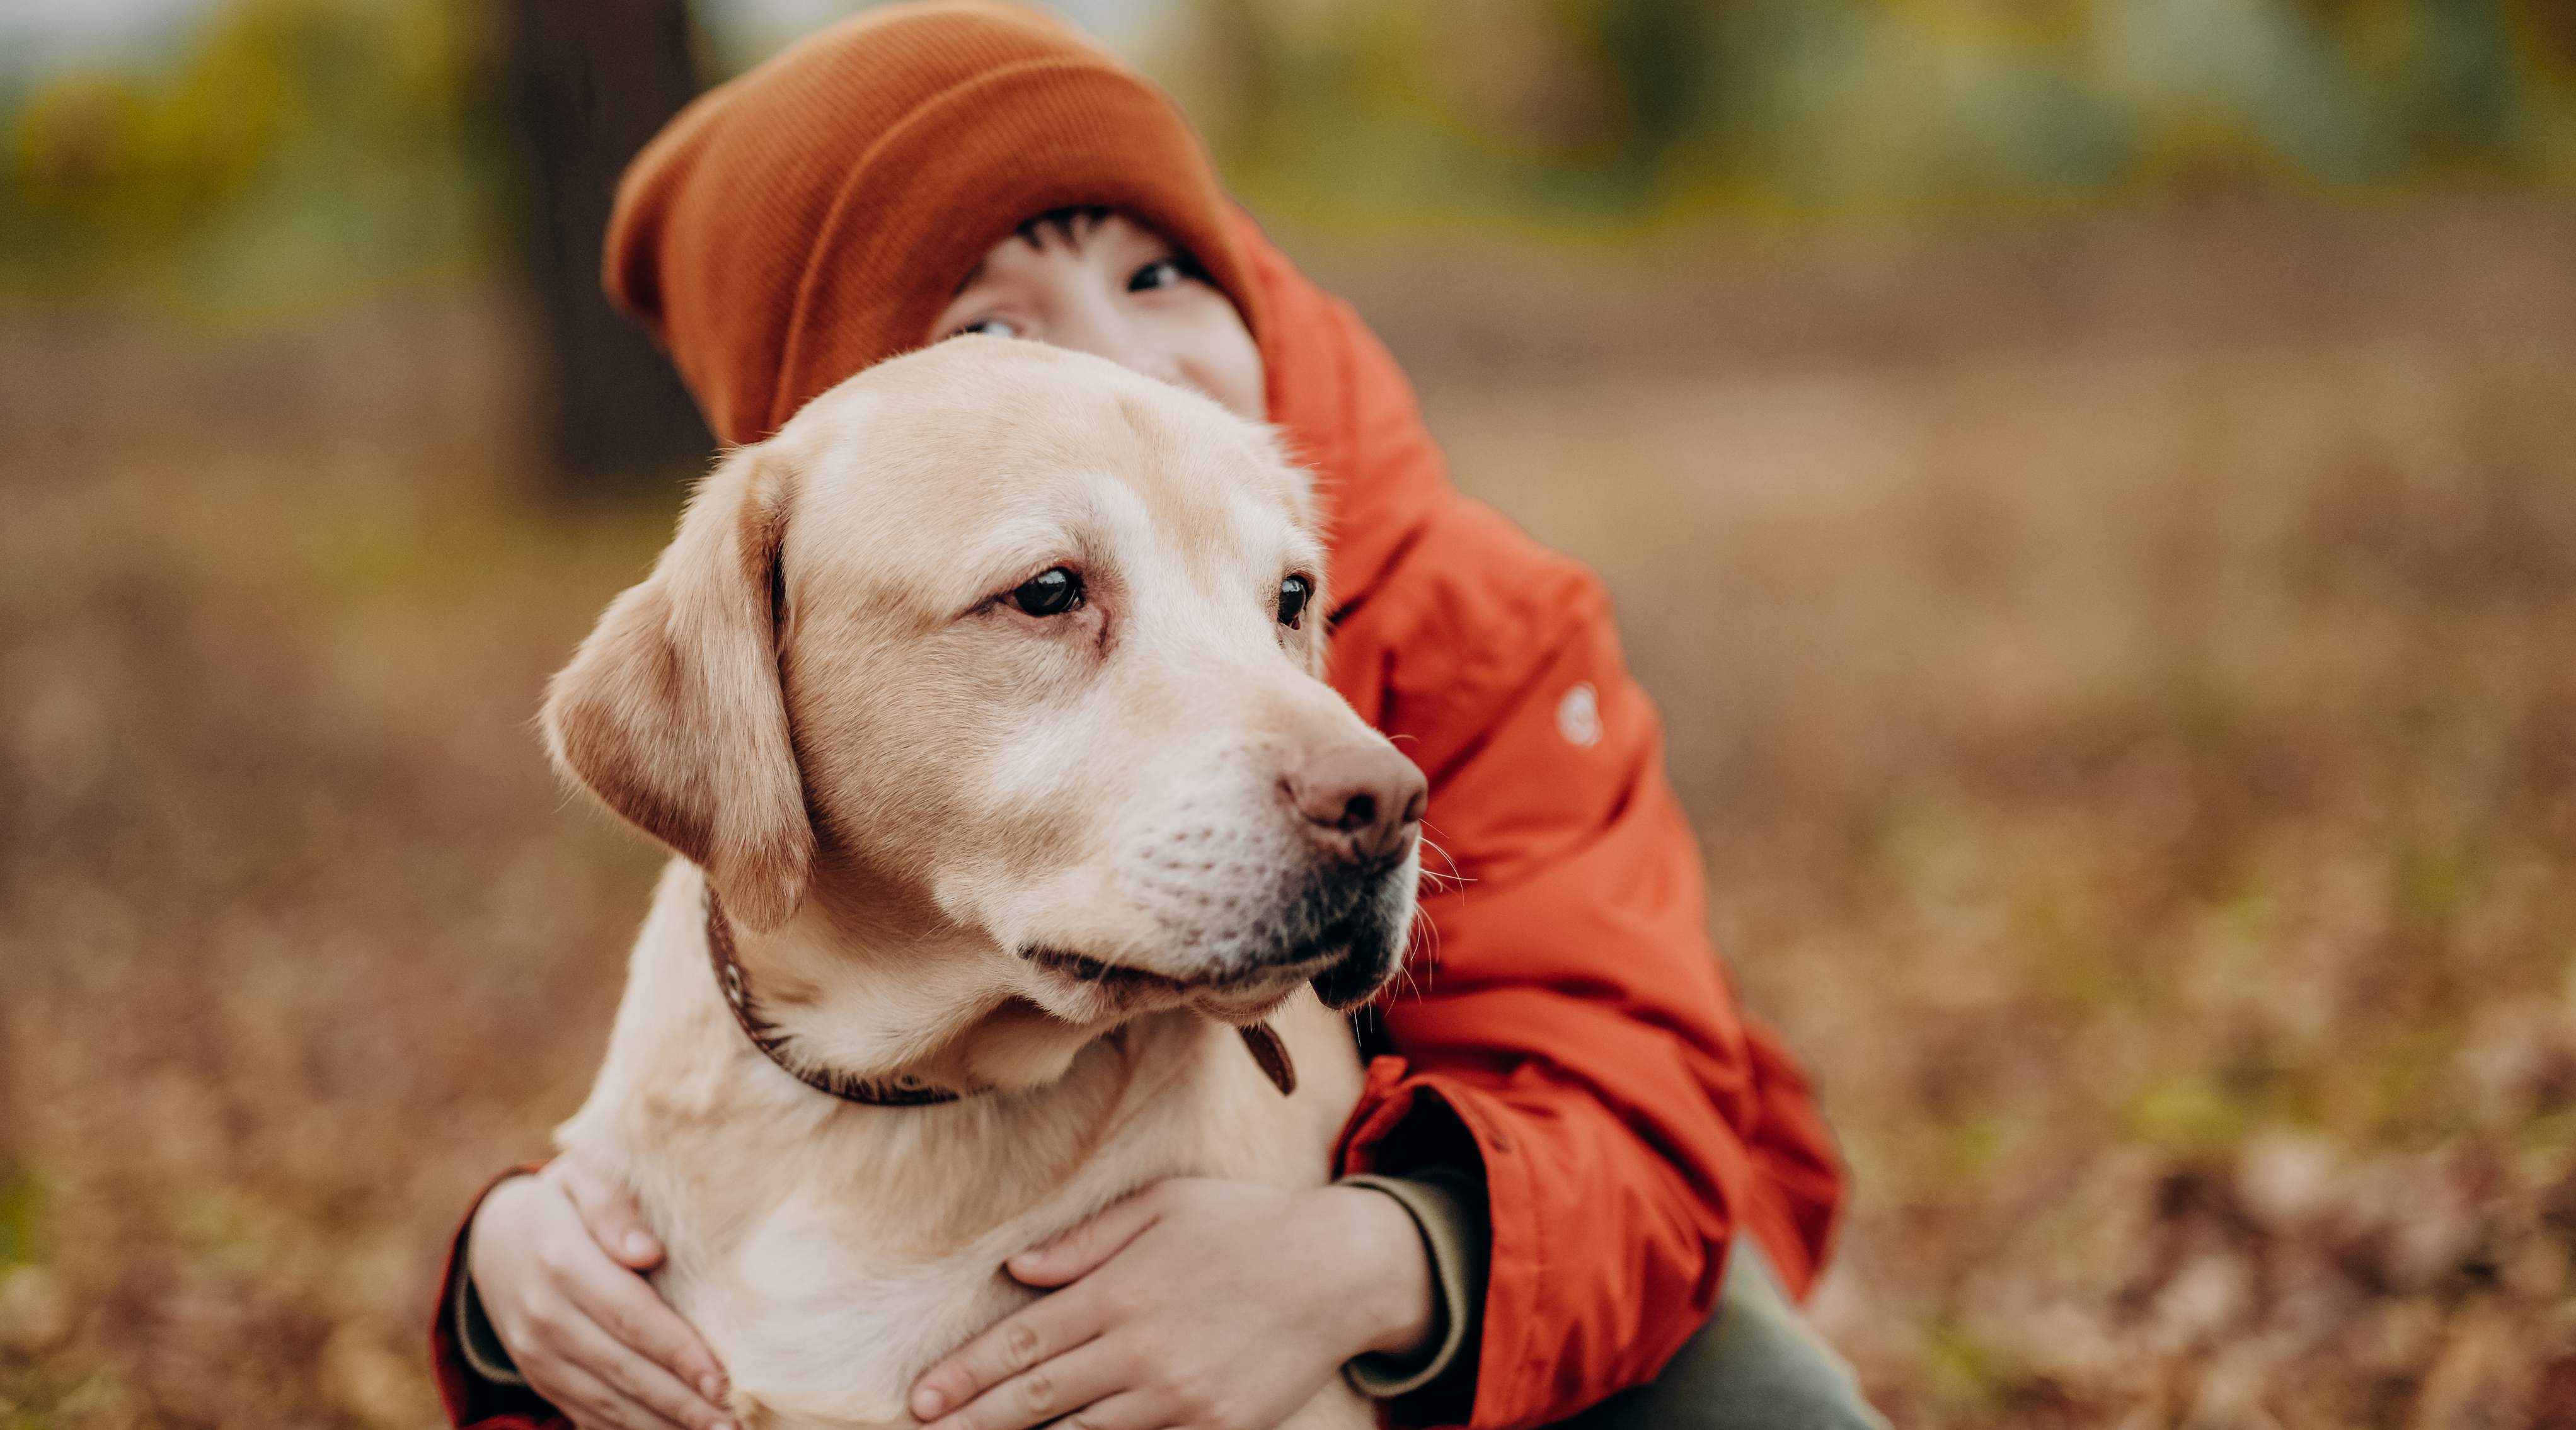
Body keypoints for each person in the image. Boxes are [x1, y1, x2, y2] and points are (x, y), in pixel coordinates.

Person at [429, 5, 1875, 1429]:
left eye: (1165, 270)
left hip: (1547, 1206)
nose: (1119, 364)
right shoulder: (804, 592)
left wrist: (1377, 1258)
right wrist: (514, 1287)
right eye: (1052, 592)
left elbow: (1629, 1081)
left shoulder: (1469, 609)